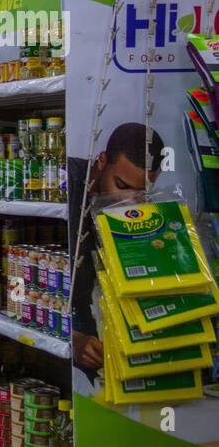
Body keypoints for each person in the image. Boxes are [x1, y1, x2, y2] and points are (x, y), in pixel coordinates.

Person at [68, 121, 165, 376]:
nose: (128, 201)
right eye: (121, 185)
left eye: (142, 192)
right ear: (101, 161)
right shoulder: (61, 182)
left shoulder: (143, 210)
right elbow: (24, 275)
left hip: (104, 327)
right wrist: (73, 338)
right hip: (54, 313)